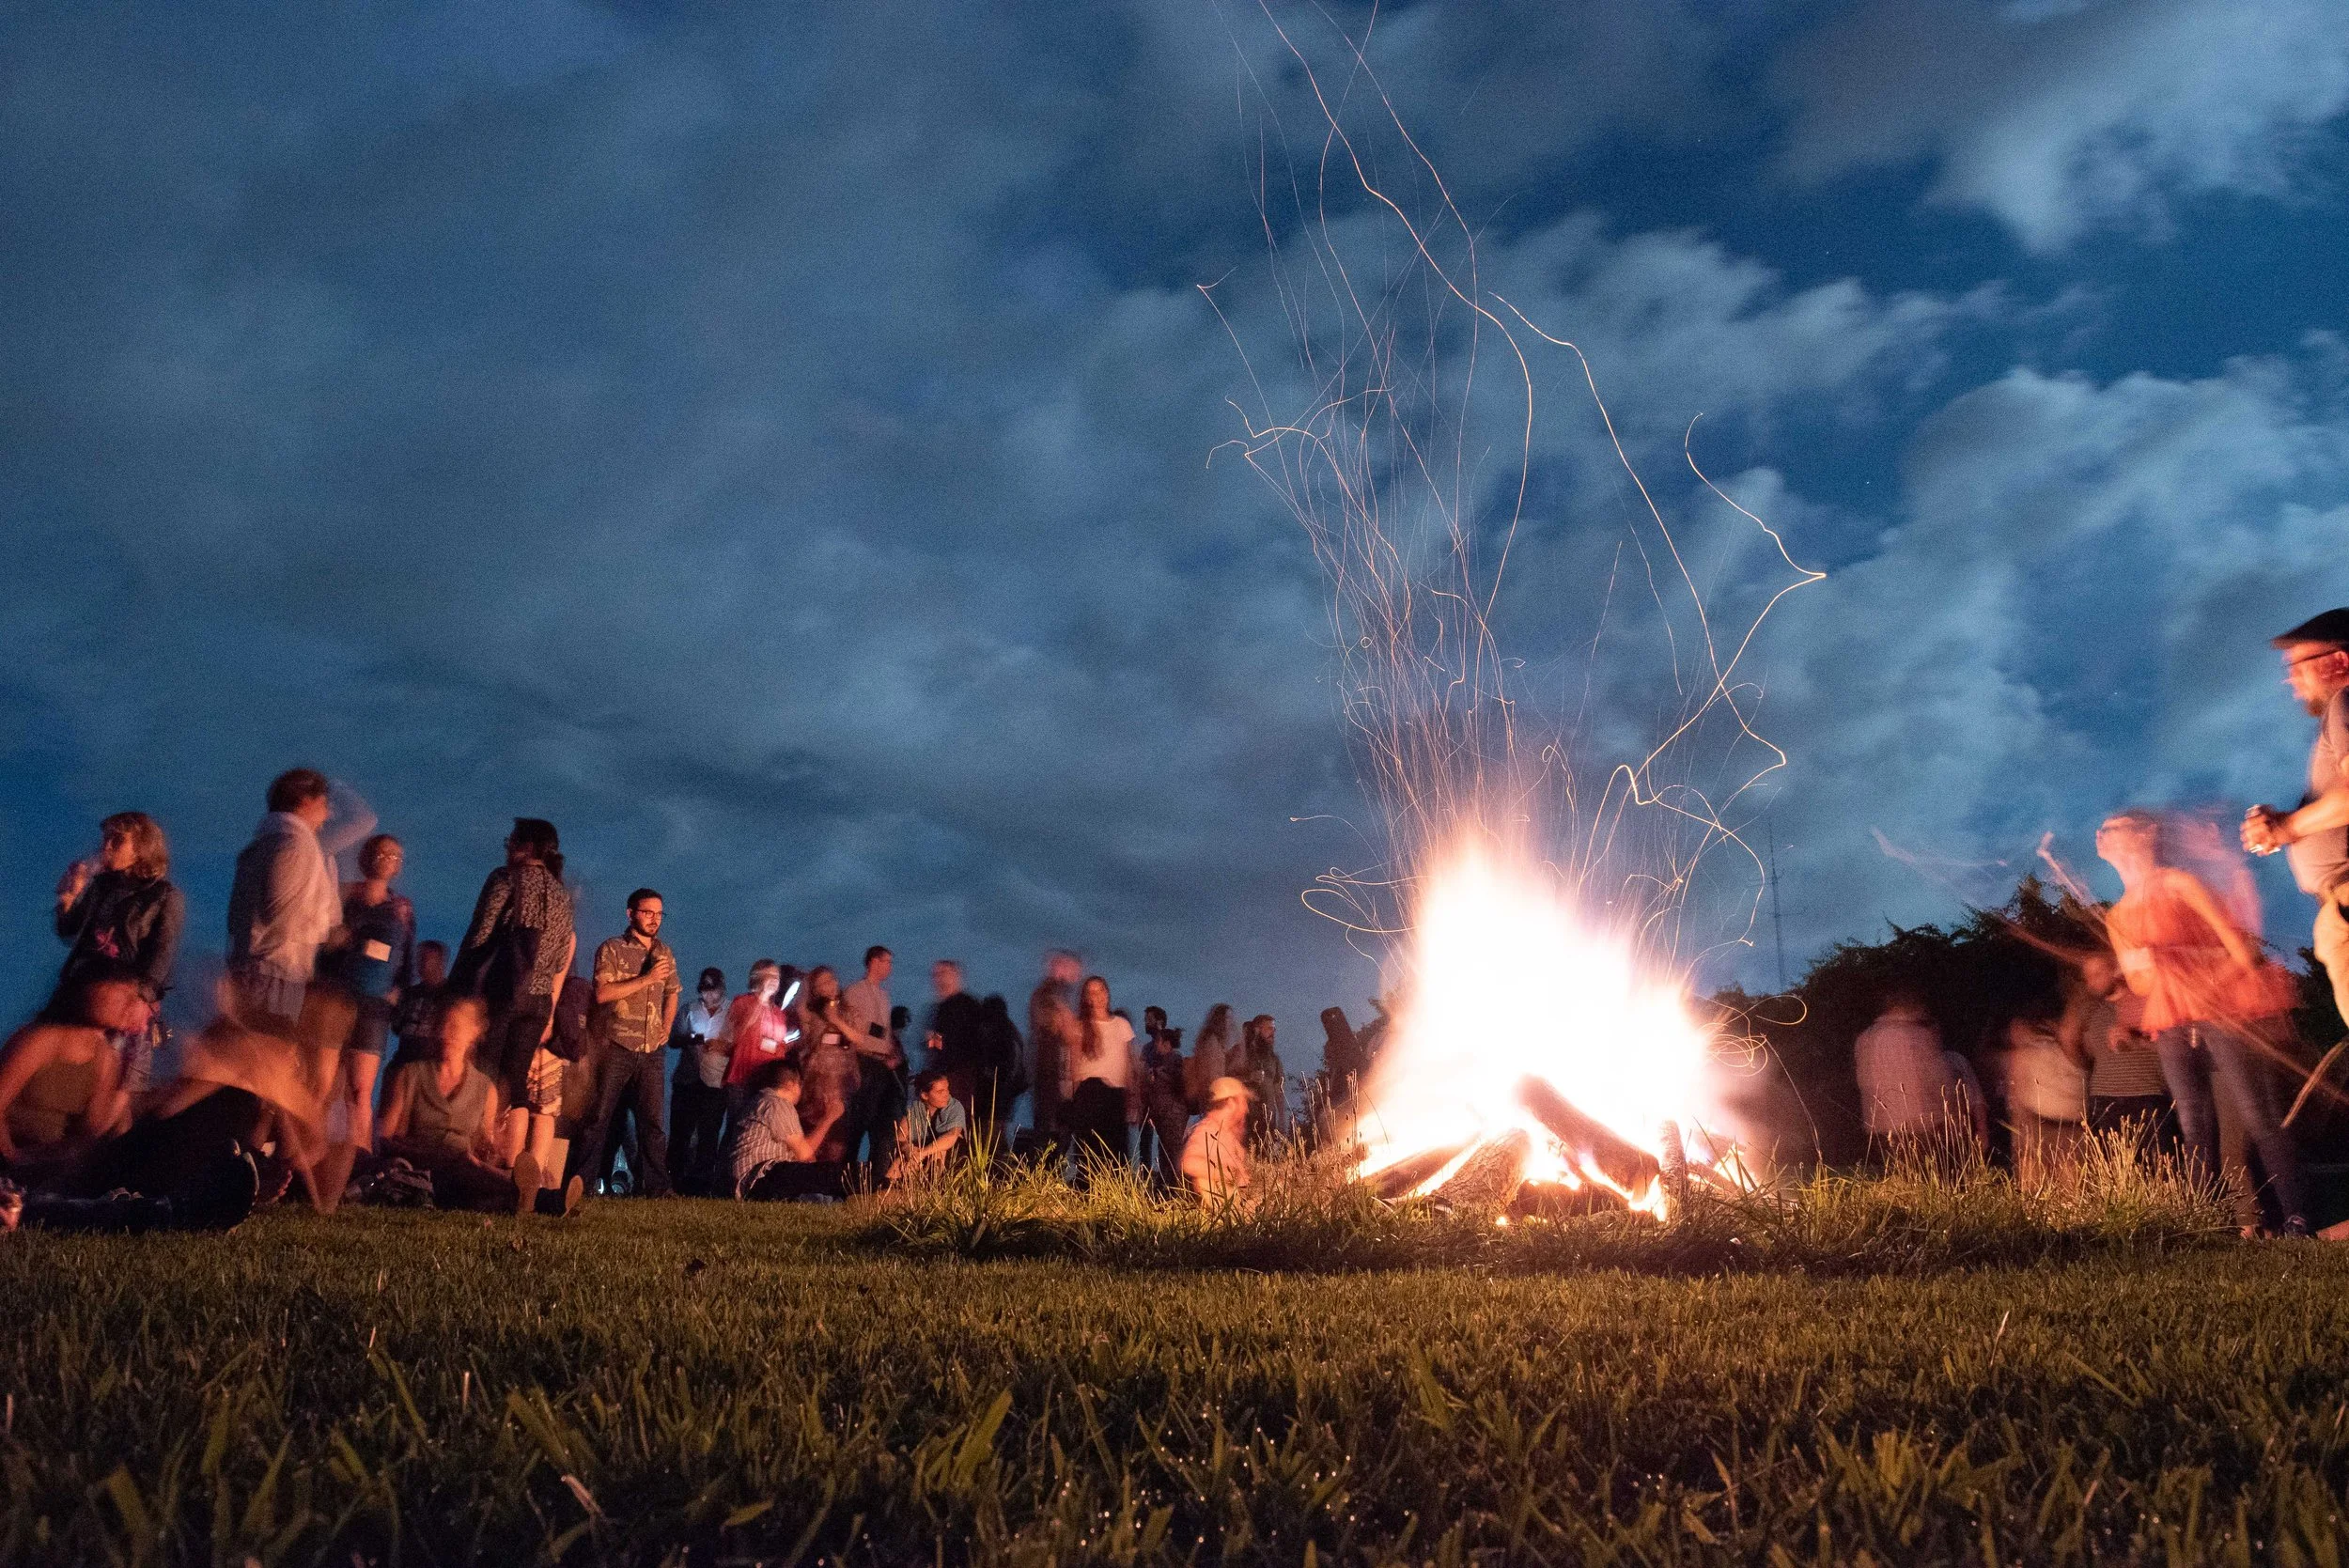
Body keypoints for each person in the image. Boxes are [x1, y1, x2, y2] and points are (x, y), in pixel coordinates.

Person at [2102, 808, 2310, 1234]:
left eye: (2114, 826)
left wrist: (2207, 986)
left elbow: (2242, 950)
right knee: (2192, 1122)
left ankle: (2297, 1217)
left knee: (2257, 1115)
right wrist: (2145, 964)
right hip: (2174, 1020)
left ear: (2146, 833)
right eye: (2102, 831)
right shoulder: (2116, 916)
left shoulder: (2181, 884)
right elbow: (2142, 986)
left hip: (2222, 1012)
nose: (2103, 834)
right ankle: (2205, 1224)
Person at [2244, 608, 2349, 1032]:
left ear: (2339, 662)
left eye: (2297, 666)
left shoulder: (2346, 702)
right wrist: (2288, 822)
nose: (2289, 679)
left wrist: (2286, 829)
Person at [377, 995, 579, 1215]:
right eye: (445, 1024)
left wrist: (491, 1150)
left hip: (463, 1170)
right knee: (470, 1172)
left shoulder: (484, 1088)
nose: (449, 1033)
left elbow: (484, 1145)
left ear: (474, 1033)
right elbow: (386, 1139)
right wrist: (429, 1154)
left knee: (473, 1172)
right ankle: (545, 1200)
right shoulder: (411, 1075)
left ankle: (539, 1199)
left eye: (457, 1027)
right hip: (418, 1167)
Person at [451, 818, 575, 1171]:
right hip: (538, 1000)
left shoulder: (506, 879)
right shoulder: (562, 895)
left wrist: (458, 986)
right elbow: (558, 955)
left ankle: (479, 1158)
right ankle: (513, 1167)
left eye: (511, 842)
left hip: (503, 991)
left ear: (527, 847)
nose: (507, 848)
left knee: (485, 1073)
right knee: (516, 1081)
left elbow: (479, 934)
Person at [226, 769, 376, 1033]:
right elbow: (281, 915)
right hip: (274, 971)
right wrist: (325, 931)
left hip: (265, 969)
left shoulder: (273, 841)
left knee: (256, 1053)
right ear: (306, 801)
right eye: (324, 803)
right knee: (266, 1055)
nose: (328, 814)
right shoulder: (294, 845)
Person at [313, 833, 416, 1198]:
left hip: (373, 1009)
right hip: (336, 1000)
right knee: (324, 1086)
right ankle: (313, 1160)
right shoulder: (345, 896)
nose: (388, 858)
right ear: (366, 857)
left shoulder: (401, 908)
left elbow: (407, 961)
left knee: (361, 1090)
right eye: (382, 852)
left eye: (395, 854)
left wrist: (398, 994)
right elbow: (322, 944)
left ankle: (361, 1168)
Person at [568, 890, 680, 1197]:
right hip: (615, 1045)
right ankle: (582, 1184)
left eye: (659, 914)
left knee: (652, 1124)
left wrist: (667, 1026)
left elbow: (672, 991)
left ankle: (657, 1188)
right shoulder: (612, 949)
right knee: (598, 1118)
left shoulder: (664, 953)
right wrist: (645, 979)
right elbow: (602, 993)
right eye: (648, 912)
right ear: (630, 914)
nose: (655, 919)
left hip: (651, 1051)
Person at [0, 965, 141, 1177]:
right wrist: (13, 1157)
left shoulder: (106, 1058)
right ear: (88, 991)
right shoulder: (42, 1039)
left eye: (134, 997)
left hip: (46, 1166)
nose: (132, 1004)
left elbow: (87, 1134)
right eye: (122, 994)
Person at [54, 811, 184, 1004]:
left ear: (141, 848)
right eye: (106, 838)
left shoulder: (164, 896)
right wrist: (68, 898)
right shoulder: (101, 886)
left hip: (122, 996)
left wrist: (139, 999)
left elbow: (162, 953)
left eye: (117, 840)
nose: (107, 846)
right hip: (80, 988)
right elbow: (69, 930)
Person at [1852, 992, 1983, 1166]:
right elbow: (1937, 1083)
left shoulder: (1866, 1038)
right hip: (1923, 1127)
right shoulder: (1915, 1036)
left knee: (1906, 1178)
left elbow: (1866, 1084)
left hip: (1885, 1129)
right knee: (1939, 1179)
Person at [728, 1061, 843, 1201]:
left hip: (751, 1183)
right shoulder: (776, 1103)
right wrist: (829, 1118)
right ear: (790, 1084)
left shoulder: (760, 1101)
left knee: (820, 1187)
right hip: (758, 1179)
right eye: (800, 1084)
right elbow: (805, 1155)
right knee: (831, 1174)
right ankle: (868, 1179)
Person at [1062, 975, 1139, 1174]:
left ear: (1107, 993)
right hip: (1089, 1093)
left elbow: (1130, 1065)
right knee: (1089, 1151)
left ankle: (1113, 1196)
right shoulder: (1080, 1027)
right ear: (1086, 997)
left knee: (1116, 1152)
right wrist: (1071, 1098)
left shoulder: (1121, 1025)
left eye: (1101, 990)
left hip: (1115, 1095)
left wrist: (1133, 1099)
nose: (1097, 996)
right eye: (1091, 992)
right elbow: (1074, 1065)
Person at [794, 966, 867, 1165]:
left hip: (842, 1086)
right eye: (823, 983)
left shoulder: (848, 1011)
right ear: (815, 989)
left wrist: (836, 1020)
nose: (831, 985)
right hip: (815, 1087)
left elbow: (859, 1038)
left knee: (837, 1143)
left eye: (832, 979)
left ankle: (830, 1188)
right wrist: (804, 982)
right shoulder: (811, 1013)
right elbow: (799, 1010)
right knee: (813, 1139)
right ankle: (808, 1189)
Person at [668, 967, 731, 1195]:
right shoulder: (689, 1009)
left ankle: (701, 1184)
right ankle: (673, 1182)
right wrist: (693, 1038)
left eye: (713, 990)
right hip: (687, 1079)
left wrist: (722, 1045)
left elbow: (739, 1045)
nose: (709, 995)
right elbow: (673, 1039)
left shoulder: (732, 1012)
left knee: (709, 1134)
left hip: (715, 1082)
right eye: (705, 990)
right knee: (680, 1134)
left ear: (722, 989)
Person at [842, 946, 902, 1179]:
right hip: (862, 1062)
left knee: (882, 1123)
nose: (890, 967)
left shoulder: (884, 996)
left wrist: (890, 1052)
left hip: (882, 1065)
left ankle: (876, 1180)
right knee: (858, 1122)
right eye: (887, 962)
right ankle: (844, 1180)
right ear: (874, 962)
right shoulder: (855, 992)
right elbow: (855, 1032)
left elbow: (883, 1033)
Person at [1028, 951, 1081, 1152]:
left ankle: (1051, 1171)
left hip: (1059, 1075)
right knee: (1049, 1129)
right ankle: (1043, 1175)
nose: (1076, 974)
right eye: (1071, 968)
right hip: (1049, 1074)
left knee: (1059, 1129)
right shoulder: (1047, 995)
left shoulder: (1060, 996)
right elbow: (1060, 1030)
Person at [1181, 1076, 1254, 1207]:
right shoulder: (1208, 1130)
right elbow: (1189, 1163)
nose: (1247, 1109)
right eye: (1243, 1102)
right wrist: (1228, 1175)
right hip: (1223, 1209)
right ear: (1232, 1103)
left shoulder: (1225, 1133)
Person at [385, 940, 450, 1084]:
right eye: (419, 958)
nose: (420, 964)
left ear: (441, 962)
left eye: (425, 959)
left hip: (430, 1067)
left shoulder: (449, 996)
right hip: (403, 1060)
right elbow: (397, 1027)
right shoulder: (410, 993)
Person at [969, 993, 1025, 1156]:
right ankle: (998, 1169)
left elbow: (1006, 1069)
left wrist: (991, 1078)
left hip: (996, 1096)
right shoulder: (1008, 1032)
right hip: (1000, 1096)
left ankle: (996, 1170)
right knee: (993, 1135)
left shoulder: (1001, 1035)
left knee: (991, 1136)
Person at [889, 1067, 968, 1180]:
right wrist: (909, 1150)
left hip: (950, 1157)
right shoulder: (914, 1107)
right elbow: (900, 1137)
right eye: (940, 1092)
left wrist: (922, 1154)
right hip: (919, 1153)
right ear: (925, 1095)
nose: (946, 1094)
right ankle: (887, 1188)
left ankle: (933, 1187)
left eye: (947, 1089)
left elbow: (952, 1136)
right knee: (899, 1162)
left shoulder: (954, 1107)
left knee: (939, 1153)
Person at [1137, 1017, 1189, 1187]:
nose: (1156, 1046)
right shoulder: (1166, 1061)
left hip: (1171, 1115)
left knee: (1171, 1152)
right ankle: (1166, 1185)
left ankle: (1173, 1187)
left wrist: (1157, 1074)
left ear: (1167, 1044)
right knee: (1165, 1150)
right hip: (1164, 1114)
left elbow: (1175, 1083)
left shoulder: (1174, 1059)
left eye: (1159, 1042)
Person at [1232, 1015, 1285, 1150]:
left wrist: (1282, 1118)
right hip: (1244, 1121)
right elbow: (1225, 1079)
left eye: (1274, 1029)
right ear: (1256, 1030)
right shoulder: (1241, 1053)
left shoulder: (1274, 1059)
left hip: (1268, 1123)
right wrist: (1249, 1078)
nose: (1273, 1033)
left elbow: (1278, 1090)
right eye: (1268, 1029)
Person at [1187, 1002, 1235, 1114]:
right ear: (1220, 1020)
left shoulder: (1216, 1042)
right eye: (1228, 1018)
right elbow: (1211, 1073)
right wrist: (1220, 1096)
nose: (1230, 1022)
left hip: (1212, 1095)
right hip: (1213, 1097)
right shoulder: (1212, 1042)